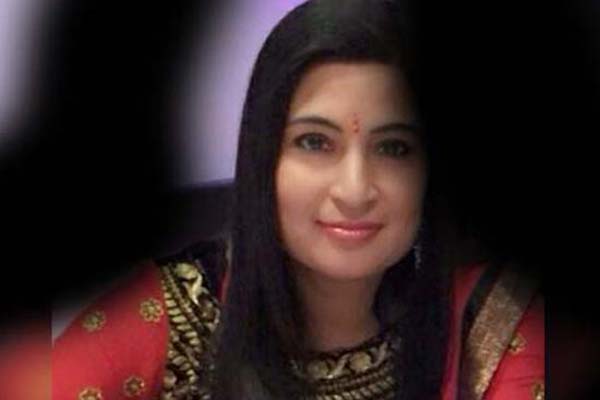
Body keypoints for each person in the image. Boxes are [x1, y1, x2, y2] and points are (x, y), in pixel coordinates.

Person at [52, 1, 544, 399]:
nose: (354, 190)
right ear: (261, 158)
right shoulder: (162, 319)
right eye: (315, 142)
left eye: (395, 148)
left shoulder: (484, 328)